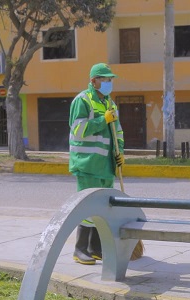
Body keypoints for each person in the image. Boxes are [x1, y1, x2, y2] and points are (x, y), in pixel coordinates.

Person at [68, 62, 124, 265]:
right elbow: (78, 130)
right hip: (88, 164)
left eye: (110, 80)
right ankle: (80, 249)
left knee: (102, 208)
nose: (109, 83)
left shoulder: (110, 104)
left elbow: (118, 131)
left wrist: (120, 154)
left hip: (106, 165)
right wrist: (103, 121)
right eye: (105, 79)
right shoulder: (82, 101)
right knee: (87, 208)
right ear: (94, 81)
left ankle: (96, 248)